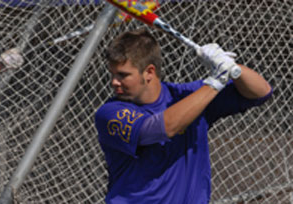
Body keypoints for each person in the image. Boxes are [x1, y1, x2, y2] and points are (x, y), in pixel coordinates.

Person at [95, 29, 272, 204]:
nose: (114, 82)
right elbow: (162, 128)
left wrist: (233, 68)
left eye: (123, 75)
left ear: (149, 72)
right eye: (113, 74)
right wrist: (216, 82)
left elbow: (261, 92)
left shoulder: (188, 95)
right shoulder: (110, 113)